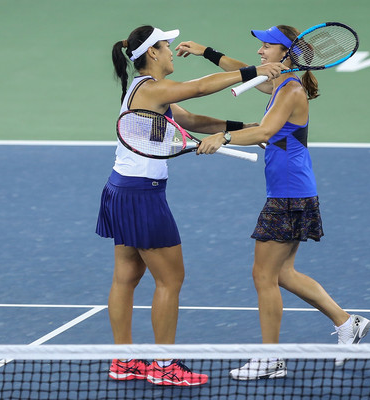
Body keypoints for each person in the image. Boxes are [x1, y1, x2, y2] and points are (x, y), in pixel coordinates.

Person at [176, 25, 370, 380]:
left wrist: (225, 136)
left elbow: (264, 132)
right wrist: (207, 51)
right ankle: (348, 323)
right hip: (292, 190)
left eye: (267, 46)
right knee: (282, 273)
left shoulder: (290, 90)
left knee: (263, 275)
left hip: (288, 194)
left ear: (285, 53)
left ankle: (271, 359)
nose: (260, 52)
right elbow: (242, 70)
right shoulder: (279, 82)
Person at [96, 25, 285, 386]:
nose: (170, 52)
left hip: (119, 188)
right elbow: (199, 87)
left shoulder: (145, 90)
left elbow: (190, 121)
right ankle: (164, 365)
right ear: (153, 53)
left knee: (127, 276)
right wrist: (254, 71)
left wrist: (241, 127)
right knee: (170, 279)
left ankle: (123, 360)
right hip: (143, 195)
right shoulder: (155, 88)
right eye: (165, 46)